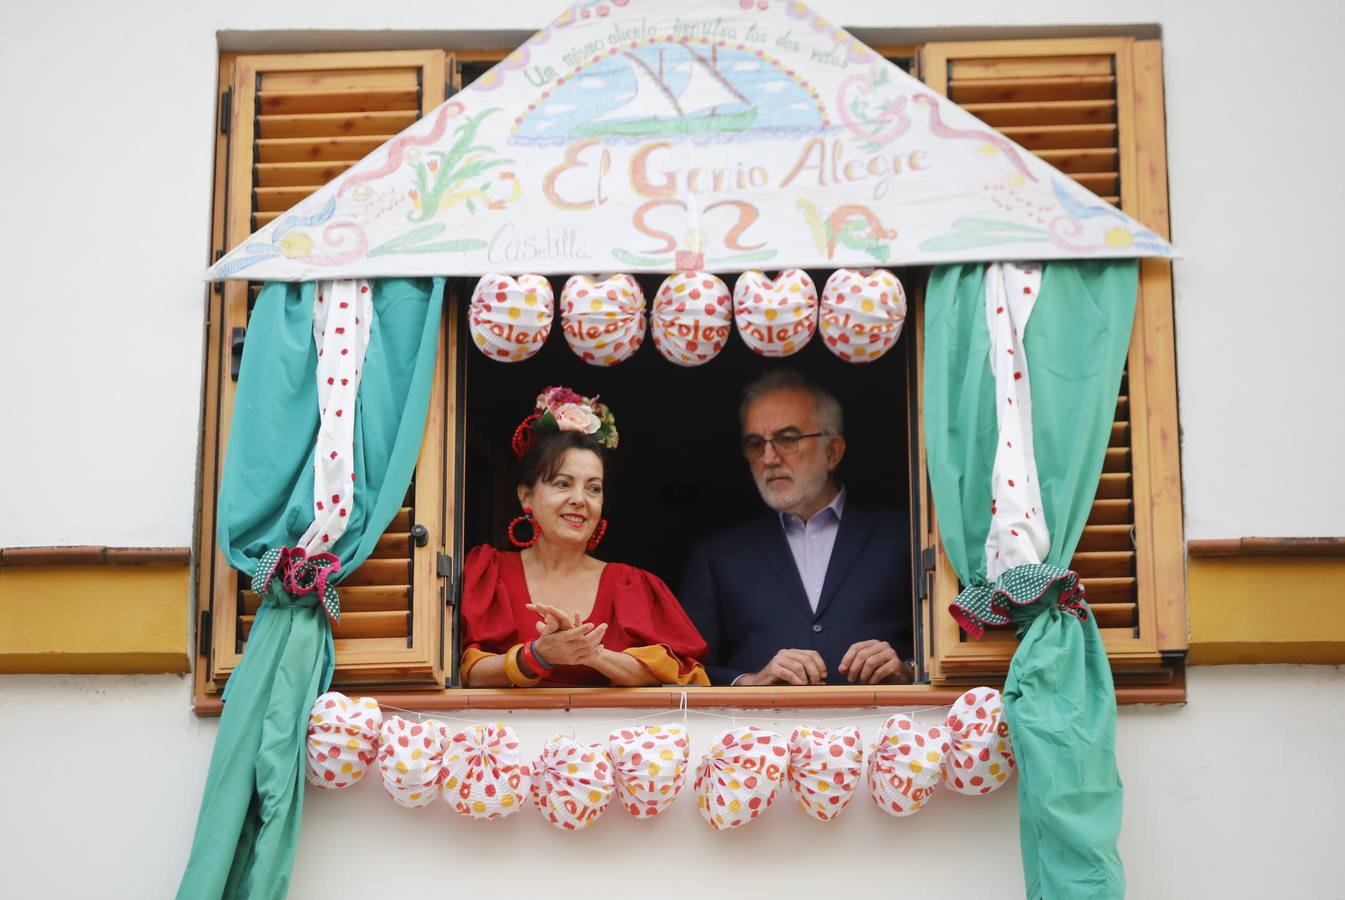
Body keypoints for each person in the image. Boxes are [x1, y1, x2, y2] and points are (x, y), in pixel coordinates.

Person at [461, 386, 710, 688]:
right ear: (526, 496)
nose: (580, 499)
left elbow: (683, 675)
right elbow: (464, 672)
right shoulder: (489, 572)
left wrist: (591, 654)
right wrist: (538, 655)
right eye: (563, 484)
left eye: (593, 488)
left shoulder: (629, 584)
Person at [678, 369, 913, 686]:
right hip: (759, 732)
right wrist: (750, 682)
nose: (769, 457)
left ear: (832, 451)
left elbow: (944, 647)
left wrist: (908, 669)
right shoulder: (718, 555)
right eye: (755, 443)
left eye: (787, 439)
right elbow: (683, 668)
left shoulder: (904, 535)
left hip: (888, 730)